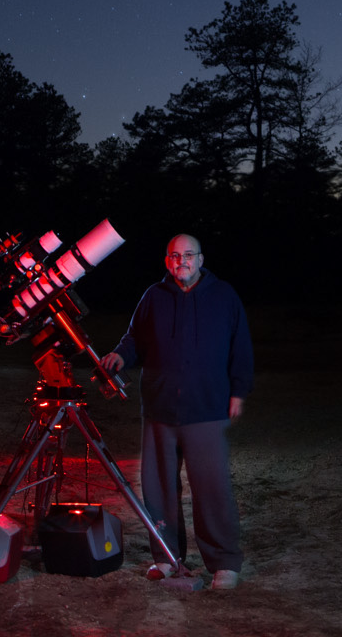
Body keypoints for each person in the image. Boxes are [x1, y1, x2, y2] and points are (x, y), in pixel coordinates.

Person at [100, 233, 253, 590]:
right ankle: (167, 558)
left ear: (200, 259)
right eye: (173, 256)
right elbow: (133, 338)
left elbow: (240, 345)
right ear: (166, 261)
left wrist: (238, 392)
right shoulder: (153, 297)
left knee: (211, 488)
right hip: (160, 408)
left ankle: (224, 563)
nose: (180, 261)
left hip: (207, 407)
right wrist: (121, 355)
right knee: (158, 489)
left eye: (188, 255)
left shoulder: (224, 296)